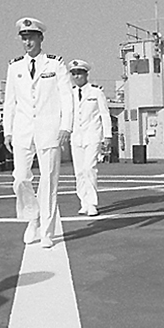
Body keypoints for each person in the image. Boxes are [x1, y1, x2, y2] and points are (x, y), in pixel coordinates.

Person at [3, 17, 73, 249]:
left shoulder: (55, 64)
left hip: (49, 129)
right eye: (24, 38)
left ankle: (47, 230)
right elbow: (9, 102)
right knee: (20, 178)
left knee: (49, 180)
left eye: (31, 37)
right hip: (23, 131)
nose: (28, 42)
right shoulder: (15, 67)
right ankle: (32, 217)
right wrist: (8, 131)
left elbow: (66, 97)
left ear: (41, 38)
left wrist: (66, 126)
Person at [69, 59, 112, 217]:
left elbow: (104, 114)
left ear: (86, 74)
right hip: (76, 137)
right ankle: (84, 202)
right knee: (79, 172)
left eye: (79, 73)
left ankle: (92, 203)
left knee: (89, 168)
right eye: (74, 74)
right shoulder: (69, 94)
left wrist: (107, 135)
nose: (77, 76)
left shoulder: (96, 92)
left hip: (93, 135)